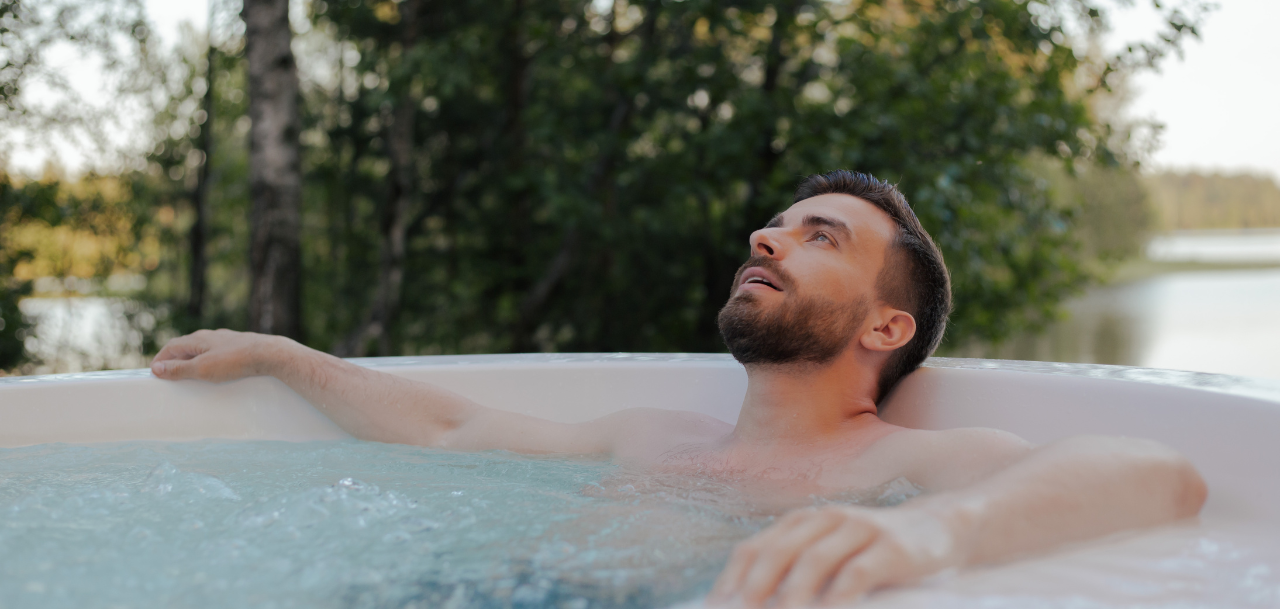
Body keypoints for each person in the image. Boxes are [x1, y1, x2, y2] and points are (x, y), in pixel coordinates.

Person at [151, 170, 1206, 608]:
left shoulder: (905, 466)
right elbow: (449, 427)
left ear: (885, 326)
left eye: (816, 235)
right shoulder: (649, 434)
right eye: (774, 225)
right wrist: (281, 356)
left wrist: (936, 535)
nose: (766, 235)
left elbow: (1157, 475)